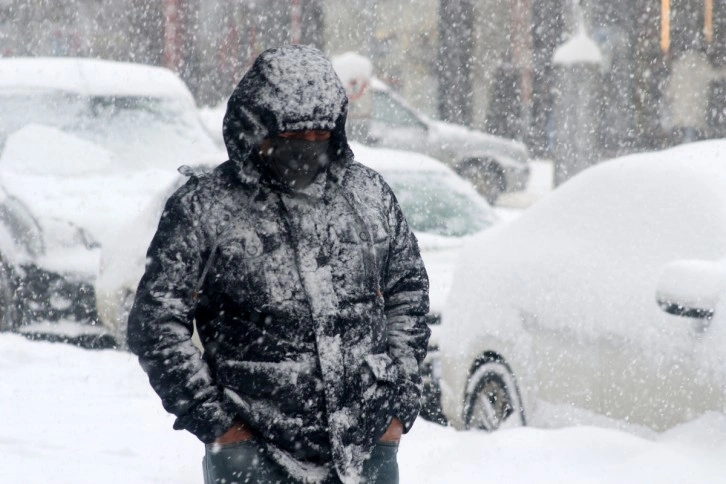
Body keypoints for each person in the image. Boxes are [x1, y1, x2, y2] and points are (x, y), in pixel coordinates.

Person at [126, 44, 430, 484]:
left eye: (319, 135)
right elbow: (156, 323)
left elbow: (408, 292)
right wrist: (220, 426)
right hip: (252, 455)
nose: (308, 148)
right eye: (292, 138)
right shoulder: (206, 208)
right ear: (256, 127)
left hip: (367, 449)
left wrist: (397, 405)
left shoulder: (367, 196)